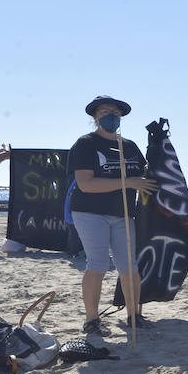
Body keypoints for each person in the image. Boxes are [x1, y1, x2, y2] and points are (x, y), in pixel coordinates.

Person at [67, 96, 158, 335]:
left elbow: (144, 172)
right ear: (95, 116)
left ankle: (134, 316)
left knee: (130, 265)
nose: (111, 115)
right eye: (106, 111)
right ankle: (92, 319)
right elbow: (86, 183)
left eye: (115, 112)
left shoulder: (128, 146)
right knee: (97, 263)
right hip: (90, 212)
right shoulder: (85, 144)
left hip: (123, 214)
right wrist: (128, 182)